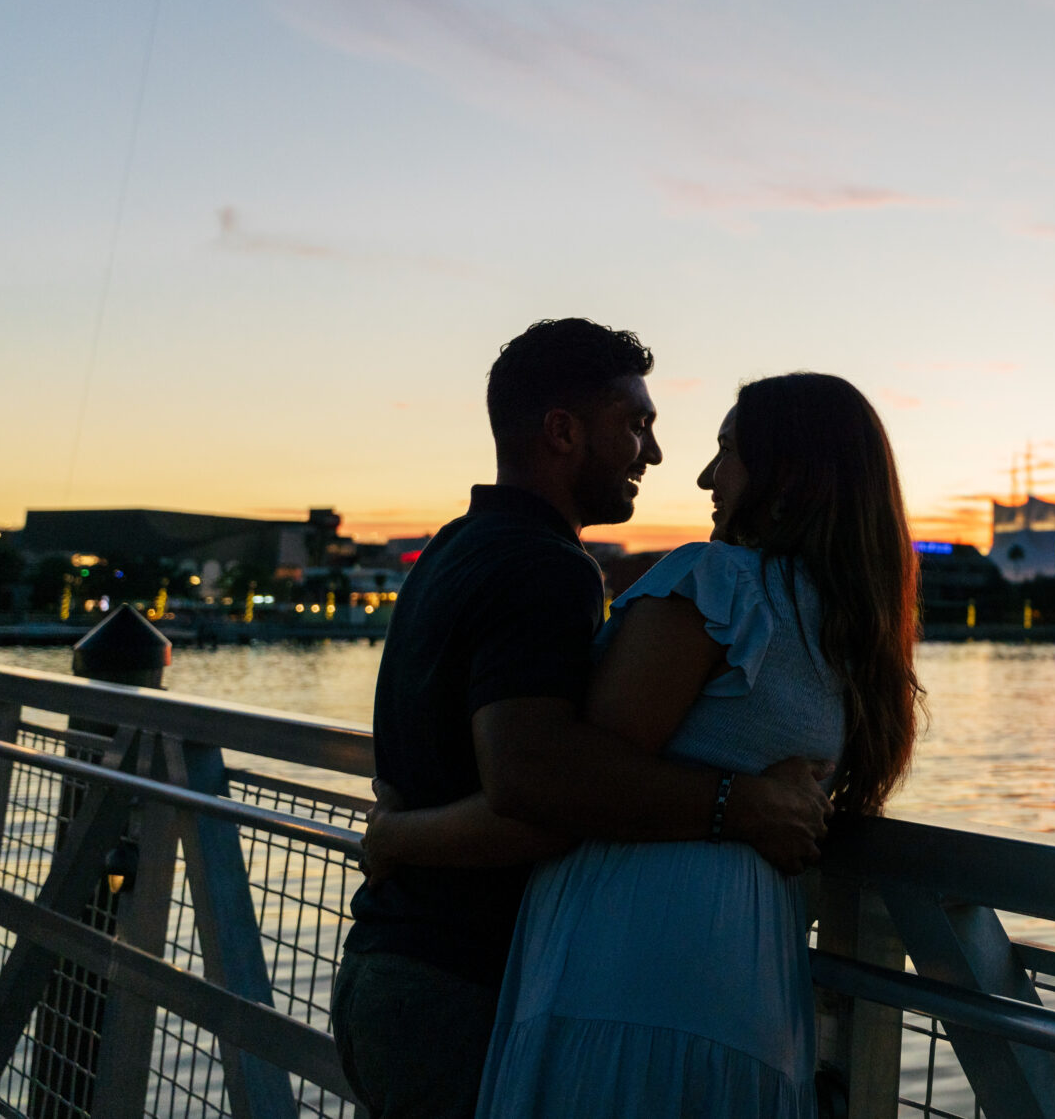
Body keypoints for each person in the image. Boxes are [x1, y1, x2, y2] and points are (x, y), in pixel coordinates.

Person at [363, 372, 923, 1119]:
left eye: (727, 451)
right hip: (753, 965)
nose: (704, 476)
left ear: (787, 473)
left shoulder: (717, 584)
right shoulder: (848, 632)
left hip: (632, 948)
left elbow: (561, 793)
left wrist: (396, 836)